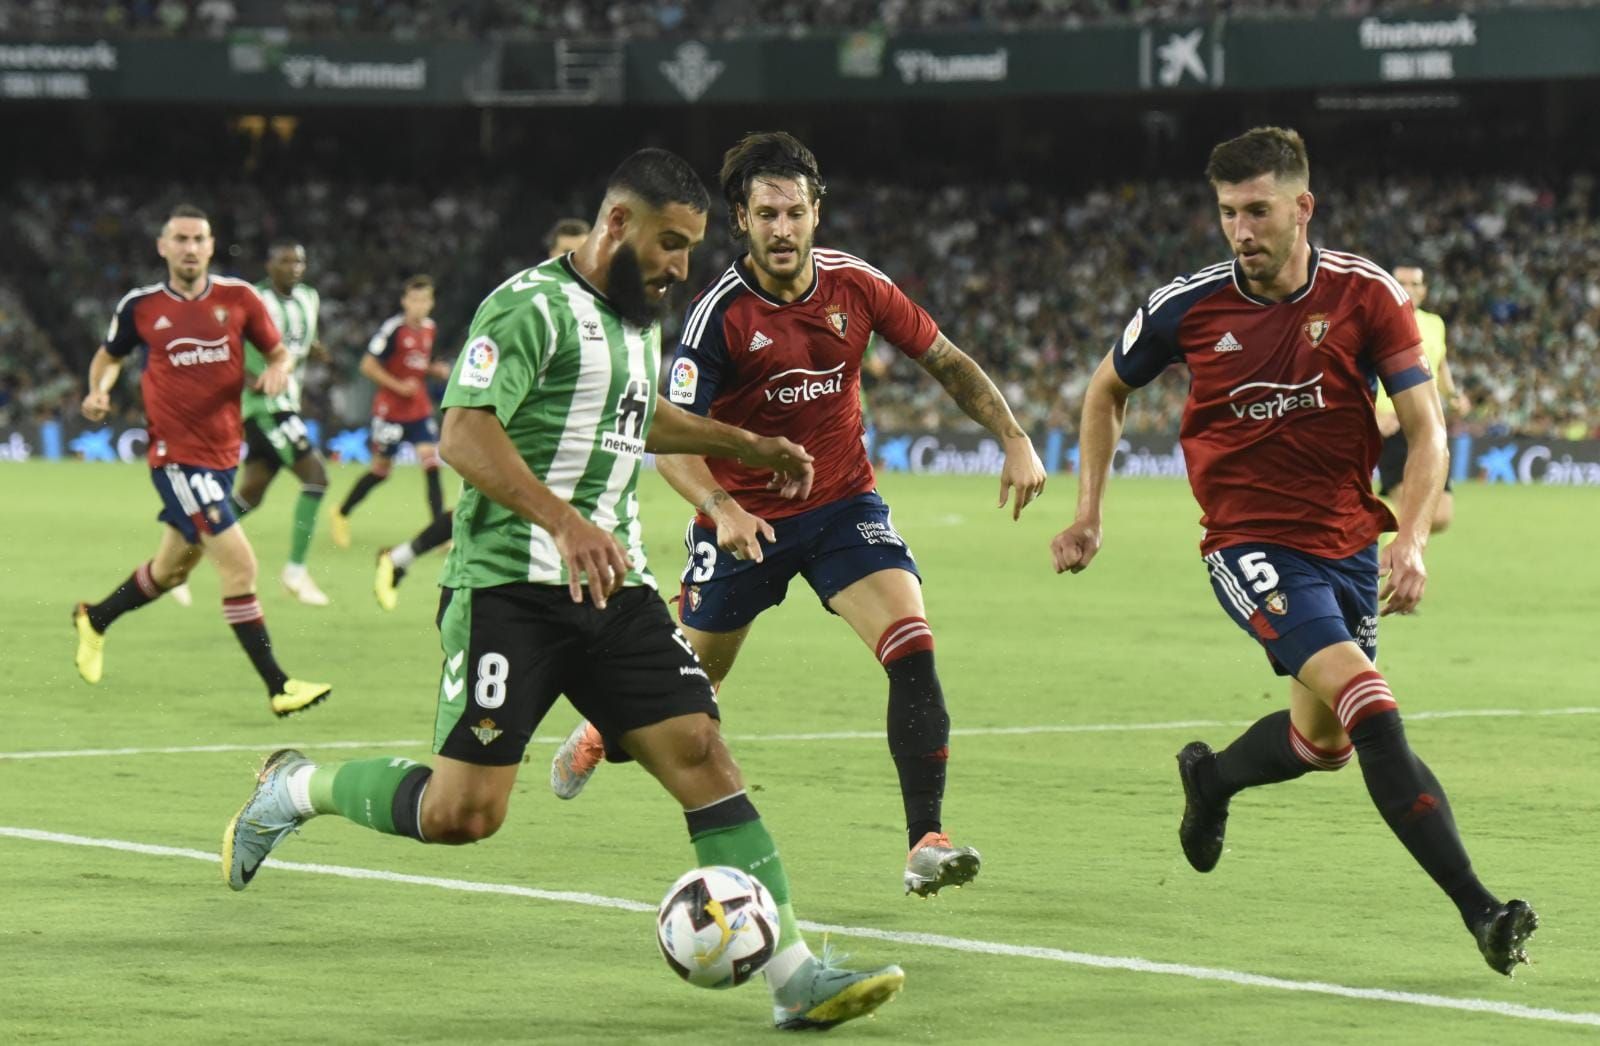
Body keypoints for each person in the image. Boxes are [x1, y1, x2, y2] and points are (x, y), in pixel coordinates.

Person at [222, 149, 905, 1031]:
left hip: (614, 588)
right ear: (616, 224)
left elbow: (636, 412)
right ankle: (297, 786)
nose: (678, 268)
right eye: (668, 244)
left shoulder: (636, 316)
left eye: (690, 249)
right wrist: (561, 519)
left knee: (701, 751)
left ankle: (794, 978)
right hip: (510, 587)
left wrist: (745, 444)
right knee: (464, 814)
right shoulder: (527, 306)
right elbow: (463, 433)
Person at [1049, 127, 1535, 975]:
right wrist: (1089, 510)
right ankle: (1484, 912)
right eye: (1229, 213)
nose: (1242, 231)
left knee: (1326, 744)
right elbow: (1106, 392)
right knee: (1372, 707)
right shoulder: (1186, 305)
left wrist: (1412, 538)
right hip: (1248, 543)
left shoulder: (1366, 295)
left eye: (1259, 211)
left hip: (1347, 543)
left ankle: (1213, 782)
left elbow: (1428, 433)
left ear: (1302, 208)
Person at [549, 131, 1048, 898]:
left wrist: (1013, 437)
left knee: (911, 643)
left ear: (817, 212)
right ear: (741, 223)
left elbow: (944, 358)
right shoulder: (718, 316)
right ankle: (602, 732)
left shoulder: (858, 286)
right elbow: (670, 438)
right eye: (764, 214)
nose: (782, 229)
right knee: (686, 696)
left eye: (794, 211)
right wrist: (723, 508)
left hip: (845, 506)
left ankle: (925, 841)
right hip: (744, 524)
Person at [74, 204, 331, 718]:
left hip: (222, 456)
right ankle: (279, 686)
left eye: (199, 239)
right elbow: (110, 355)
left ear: (211, 247)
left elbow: (278, 353)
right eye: (181, 239)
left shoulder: (239, 299)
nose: (190, 248)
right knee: (241, 563)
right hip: (175, 457)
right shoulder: (141, 306)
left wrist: (279, 371)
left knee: (169, 571)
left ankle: (95, 618)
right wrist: (98, 390)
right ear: (163, 247)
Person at [374, 218, 593, 612]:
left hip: (555, 443)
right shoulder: (524, 305)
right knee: (484, 521)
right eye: (564, 254)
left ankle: (401, 559)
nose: (574, 262)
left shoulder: (592, 313)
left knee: (498, 518)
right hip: (511, 436)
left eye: (581, 252)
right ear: (549, 256)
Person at [230, 239, 333, 605]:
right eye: (286, 260)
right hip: (263, 406)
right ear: (269, 264)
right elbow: (230, 346)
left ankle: (188, 544)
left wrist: (317, 350)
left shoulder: (310, 298)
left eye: (300, 261)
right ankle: (295, 571)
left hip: (287, 403)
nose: (295, 267)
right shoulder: (252, 300)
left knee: (251, 492)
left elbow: (304, 341)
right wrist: (246, 377)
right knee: (317, 478)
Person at [328, 275, 447, 548]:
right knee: (381, 470)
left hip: (418, 407)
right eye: (414, 300)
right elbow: (367, 365)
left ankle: (439, 534)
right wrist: (397, 386)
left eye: (424, 300)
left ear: (431, 303)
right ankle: (341, 512)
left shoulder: (430, 328)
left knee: (431, 464)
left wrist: (433, 370)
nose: (419, 305)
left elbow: (415, 363)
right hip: (390, 409)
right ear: (405, 301)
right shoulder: (393, 329)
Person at [1374, 264, 1470, 532]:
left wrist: (1453, 395)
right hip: (1391, 424)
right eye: (1401, 283)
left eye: (1414, 284)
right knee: (1412, 515)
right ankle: (1391, 569)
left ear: (1424, 291)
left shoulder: (1435, 324)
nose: (1408, 289)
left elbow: (1439, 365)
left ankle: (1371, 517)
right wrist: (1373, 414)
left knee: (1439, 516)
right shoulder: (1375, 321)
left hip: (1428, 423)